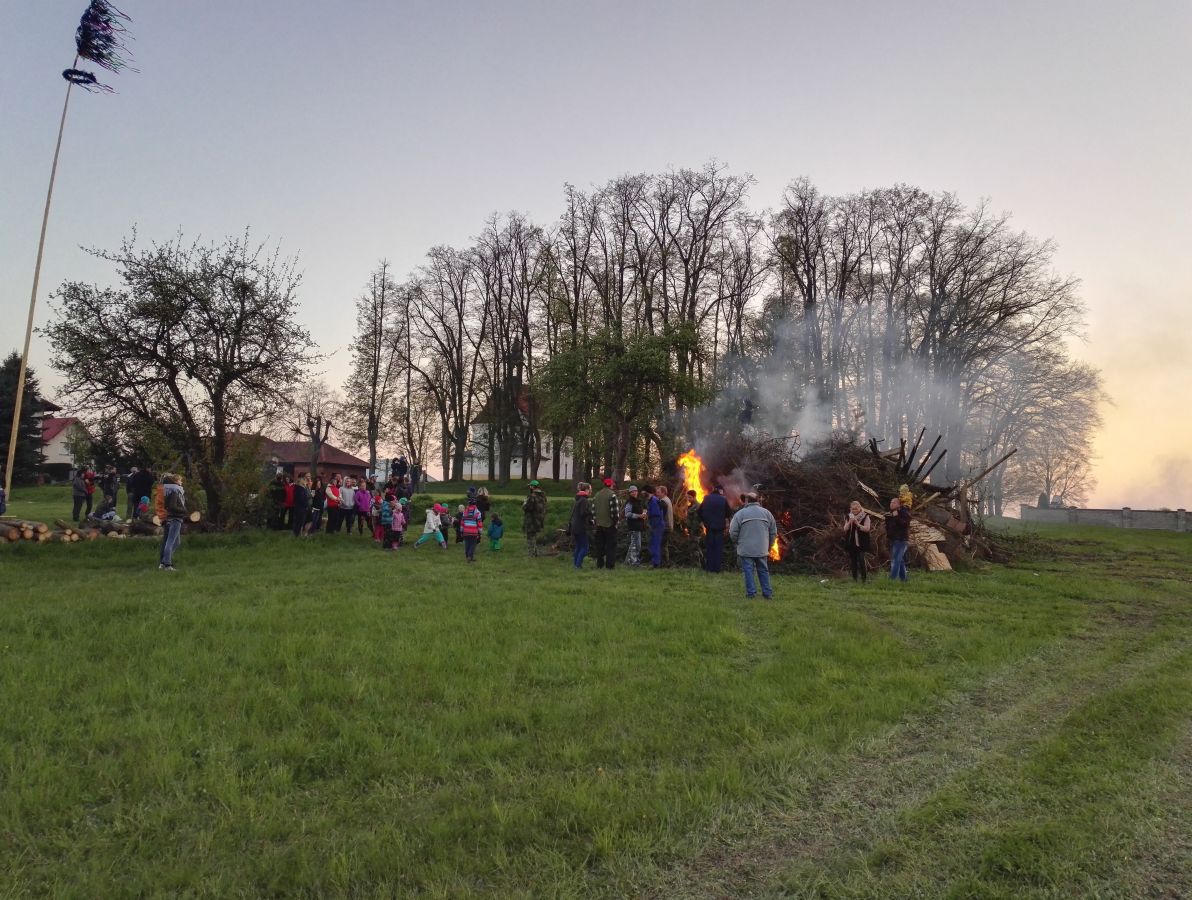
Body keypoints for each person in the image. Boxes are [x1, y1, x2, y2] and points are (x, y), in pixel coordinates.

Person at [729, 492, 778, 600]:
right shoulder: (767, 513)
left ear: (747, 501)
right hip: (762, 548)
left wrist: (737, 542)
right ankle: (767, 594)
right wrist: (769, 545)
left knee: (748, 571)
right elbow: (773, 532)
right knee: (763, 570)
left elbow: (733, 532)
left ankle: (751, 594)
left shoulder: (740, 514)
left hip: (746, 549)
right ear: (758, 500)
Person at [698, 485, 730, 573]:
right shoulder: (723, 499)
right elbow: (728, 513)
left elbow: (699, 511)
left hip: (709, 527)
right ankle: (717, 569)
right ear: (720, 491)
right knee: (718, 548)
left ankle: (709, 567)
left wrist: (704, 521)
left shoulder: (706, 498)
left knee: (710, 547)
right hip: (719, 528)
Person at [158, 473, 187, 571]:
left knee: (177, 542)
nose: (181, 482)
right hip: (175, 518)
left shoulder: (170, 491)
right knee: (170, 542)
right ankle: (167, 564)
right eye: (180, 480)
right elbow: (172, 507)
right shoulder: (174, 492)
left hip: (173, 518)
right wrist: (184, 510)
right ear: (175, 482)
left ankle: (164, 561)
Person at [591, 478, 620, 569]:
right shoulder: (612, 495)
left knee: (600, 546)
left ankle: (600, 564)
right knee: (611, 546)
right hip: (609, 525)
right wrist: (615, 523)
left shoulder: (597, 494)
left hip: (599, 525)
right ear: (611, 485)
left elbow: (593, 511)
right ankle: (610, 565)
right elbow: (614, 512)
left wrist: (596, 522)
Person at [842, 500, 873, 582]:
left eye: (856, 509)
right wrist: (849, 522)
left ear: (860, 508)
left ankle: (864, 579)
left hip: (861, 541)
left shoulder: (865, 516)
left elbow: (867, 529)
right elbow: (845, 529)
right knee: (853, 560)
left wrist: (858, 524)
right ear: (850, 509)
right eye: (852, 509)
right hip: (851, 541)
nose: (854, 510)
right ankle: (854, 579)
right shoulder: (849, 516)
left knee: (861, 559)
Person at [884, 496, 911, 582]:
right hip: (893, 539)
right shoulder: (890, 513)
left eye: (894, 502)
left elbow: (905, 525)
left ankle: (892, 579)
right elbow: (889, 527)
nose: (891, 504)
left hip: (901, 539)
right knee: (900, 560)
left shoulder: (904, 513)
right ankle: (904, 579)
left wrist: (896, 517)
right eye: (891, 502)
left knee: (896, 559)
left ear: (899, 504)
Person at [568, 482, 593, 569]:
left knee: (578, 546)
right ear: (586, 490)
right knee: (585, 548)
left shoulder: (578, 499)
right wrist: (591, 512)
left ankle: (576, 564)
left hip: (575, 527)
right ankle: (578, 565)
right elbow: (583, 513)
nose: (591, 491)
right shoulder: (584, 500)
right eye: (590, 489)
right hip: (581, 527)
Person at [522, 480, 547, 557]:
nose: (529, 487)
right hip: (540, 520)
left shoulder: (532, 496)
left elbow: (528, 508)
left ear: (533, 487)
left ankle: (531, 554)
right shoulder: (543, 496)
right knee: (535, 536)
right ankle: (536, 553)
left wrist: (524, 503)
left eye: (530, 486)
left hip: (531, 520)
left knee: (530, 537)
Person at [623, 485, 646, 567]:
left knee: (634, 544)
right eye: (632, 492)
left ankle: (627, 561)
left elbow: (642, 510)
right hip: (633, 526)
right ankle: (634, 562)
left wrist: (644, 514)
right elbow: (627, 514)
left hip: (639, 525)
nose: (634, 493)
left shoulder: (638, 501)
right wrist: (639, 516)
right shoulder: (629, 502)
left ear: (637, 492)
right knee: (636, 545)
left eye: (635, 491)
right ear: (630, 493)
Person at [645, 485, 666, 568]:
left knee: (655, 544)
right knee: (653, 543)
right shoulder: (652, 500)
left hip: (657, 525)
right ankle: (654, 562)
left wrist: (647, 514)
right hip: (656, 525)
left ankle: (656, 563)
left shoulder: (654, 501)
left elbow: (656, 514)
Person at [657, 485, 674, 564]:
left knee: (662, 545)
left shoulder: (663, 501)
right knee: (664, 545)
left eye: (658, 492)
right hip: (668, 526)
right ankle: (665, 562)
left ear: (663, 493)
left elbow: (660, 515)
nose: (657, 494)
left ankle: (664, 563)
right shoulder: (667, 499)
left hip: (665, 527)